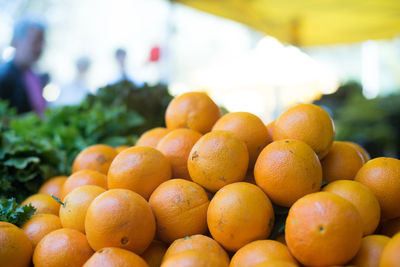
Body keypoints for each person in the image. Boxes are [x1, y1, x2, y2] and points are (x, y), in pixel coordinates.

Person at [0, 17, 47, 115]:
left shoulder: (35, 76)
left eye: (42, 42)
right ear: (15, 42)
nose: (40, 47)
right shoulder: (4, 78)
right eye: (35, 41)